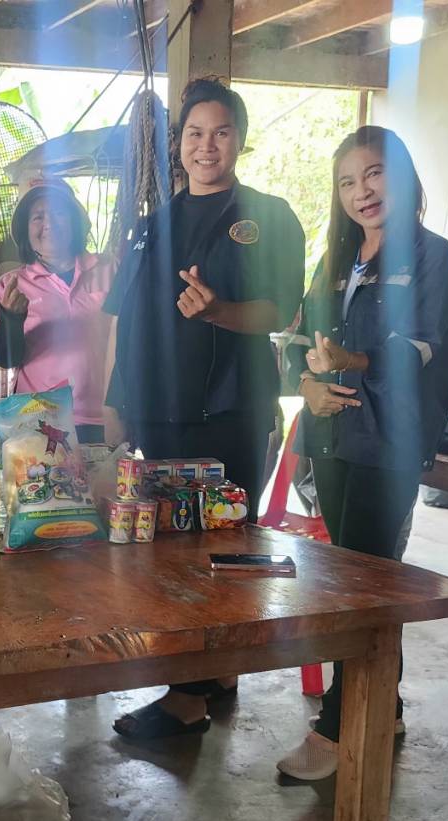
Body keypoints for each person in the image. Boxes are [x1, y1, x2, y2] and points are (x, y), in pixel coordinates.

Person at [105, 79, 307, 741]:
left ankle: (187, 698)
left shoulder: (269, 217)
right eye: (194, 133)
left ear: (239, 140)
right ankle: (214, 673)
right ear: (179, 144)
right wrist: (115, 400)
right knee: (172, 548)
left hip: (230, 409)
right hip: (159, 410)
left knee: (225, 542)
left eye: (220, 132)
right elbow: (125, 320)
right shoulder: (151, 226)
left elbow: (280, 310)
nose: (206, 146)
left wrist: (219, 311)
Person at [274, 125, 448, 781]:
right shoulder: (337, 259)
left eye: (374, 174)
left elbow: (422, 348)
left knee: (361, 585)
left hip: (390, 440)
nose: (362, 191)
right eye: (348, 181)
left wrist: (350, 362)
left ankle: (336, 727)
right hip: (331, 437)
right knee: (357, 580)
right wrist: (306, 386)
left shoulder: (433, 257)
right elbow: (301, 344)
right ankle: (386, 706)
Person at [0, 180, 116, 444]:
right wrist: (11, 318)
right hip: (39, 425)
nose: (49, 223)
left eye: (58, 212)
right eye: (38, 217)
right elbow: (3, 358)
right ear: (25, 231)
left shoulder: (110, 270)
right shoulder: (10, 285)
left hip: (107, 419)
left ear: (75, 222)